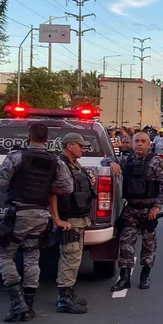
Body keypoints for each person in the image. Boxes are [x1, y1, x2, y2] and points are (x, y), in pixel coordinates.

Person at [0, 122, 74, 323]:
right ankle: (28, 306)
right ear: (47, 139)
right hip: (41, 215)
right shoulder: (55, 161)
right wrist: (47, 189)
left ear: (28, 137)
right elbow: (67, 187)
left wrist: (17, 189)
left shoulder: (17, 156)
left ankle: (17, 302)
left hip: (19, 213)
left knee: (4, 254)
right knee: (31, 256)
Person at [106, 132, 163, 291]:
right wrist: (111, 163)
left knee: (149, 244)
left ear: (149, 144)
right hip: (130, 209)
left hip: (149, 210)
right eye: (136, 141)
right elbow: (106, 158)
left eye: (143, 141)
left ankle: (145, 275)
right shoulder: (126, 160)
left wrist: (157, 206)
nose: (139, 144)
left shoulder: (156, 162)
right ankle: (124, 278)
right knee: (126, 244)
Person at [51, 133, 95, 314]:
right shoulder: (61, 166)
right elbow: (52, 193)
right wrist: (57, 219)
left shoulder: (74, 165)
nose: (83, 149)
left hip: (78, 218)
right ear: (70, 146)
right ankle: (64, 298)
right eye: (80, 145)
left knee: (74, 257)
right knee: (70, 257)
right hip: (69, 219)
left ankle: (69, 293)